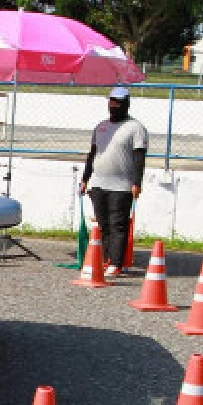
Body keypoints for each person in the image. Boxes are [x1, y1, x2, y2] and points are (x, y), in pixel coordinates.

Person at [79, 86, 148, 276]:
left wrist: (137, 182)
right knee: (103, 225)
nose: (114, 106)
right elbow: (92, 155)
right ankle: (107, 259)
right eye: (111, 102)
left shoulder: (136, 128)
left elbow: (139, 158)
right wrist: (85, 179)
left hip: (122, 185)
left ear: (126, 104)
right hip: (98, 183)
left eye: (118, 103)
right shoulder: (100, 127)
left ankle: (116, 263)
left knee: (118, 224)